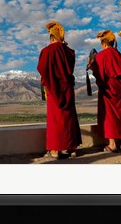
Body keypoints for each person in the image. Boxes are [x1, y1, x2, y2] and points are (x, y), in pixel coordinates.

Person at [37, 21, 82, 159]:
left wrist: (47, 82)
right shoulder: (69, 52)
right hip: (67, 88)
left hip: (54, 88)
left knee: (56, 119)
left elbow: (42, 68)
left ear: (52, 37)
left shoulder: (47, 51)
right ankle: (71, 148)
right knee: (69, 118)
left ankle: (55, 150)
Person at [87, 29, 121, 152]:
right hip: (118, 88)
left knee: (109, 115)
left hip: (107, 89)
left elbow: (99, 73)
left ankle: (112, 144)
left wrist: (91, 65)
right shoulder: (118, 55)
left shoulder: (102, 55)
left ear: (104, 43)